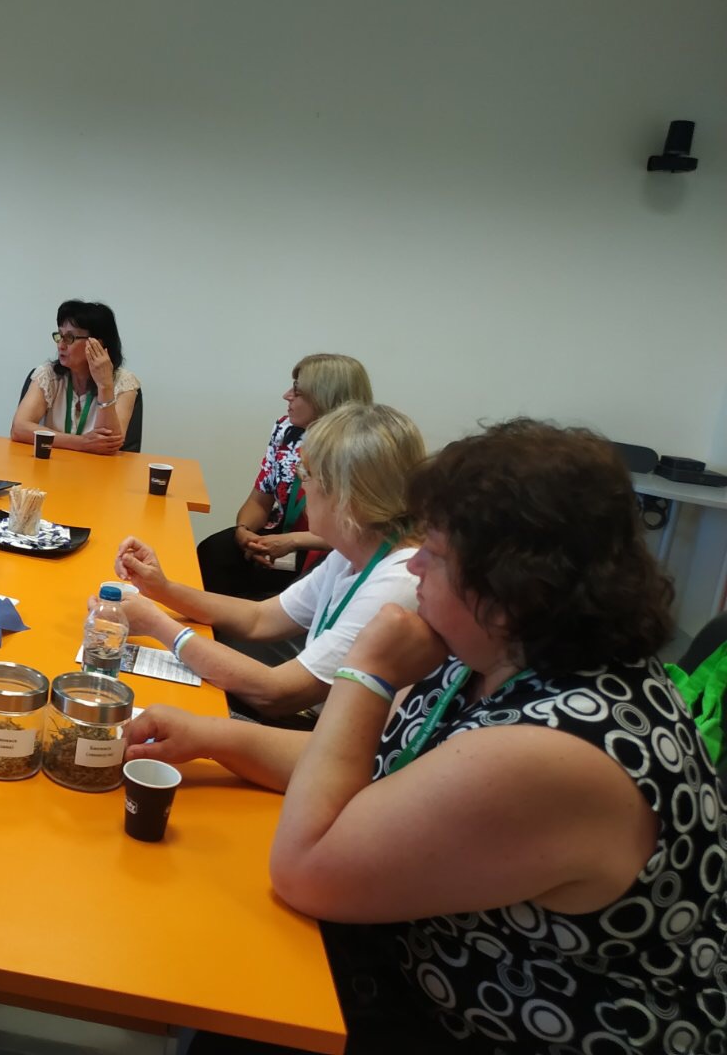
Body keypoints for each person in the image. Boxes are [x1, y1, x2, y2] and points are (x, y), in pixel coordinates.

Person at [134, 420, 727, 1054]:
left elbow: (305, 872)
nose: (413, 562)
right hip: (419, 972)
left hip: (490, 1029)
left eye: (436, 553)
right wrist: (208, 736)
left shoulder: (562, 746)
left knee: (225, 974)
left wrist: (367, 671)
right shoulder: (488, 653)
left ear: (511, 586)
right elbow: (361, 765)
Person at [115, 403, 425, 721]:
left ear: (347, 494)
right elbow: (259, 618)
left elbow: (277, 693)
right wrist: (161, 588)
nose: (302, 488)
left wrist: (156, 625)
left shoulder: (397, 585)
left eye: (306, 475)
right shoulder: (352, 554)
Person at [197, 353, 373, 601]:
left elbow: (360, 533)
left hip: (328, 549)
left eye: (298, 391)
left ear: (325, 398)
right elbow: (259, 500)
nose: (287, 395)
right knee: (216, 551)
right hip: (282, 535)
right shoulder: (286, 430)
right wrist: (245, 532)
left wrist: (293, 541)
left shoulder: (362, 449)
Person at [10, 300, 140, 455]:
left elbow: (108, 445)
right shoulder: (48, 375)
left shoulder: (124, 382)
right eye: (59, 336)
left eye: (70, 338)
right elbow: (19, 429)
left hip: (98, 468)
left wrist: (104, 386)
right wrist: (82, 443)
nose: (60, 345)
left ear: (97, 343)